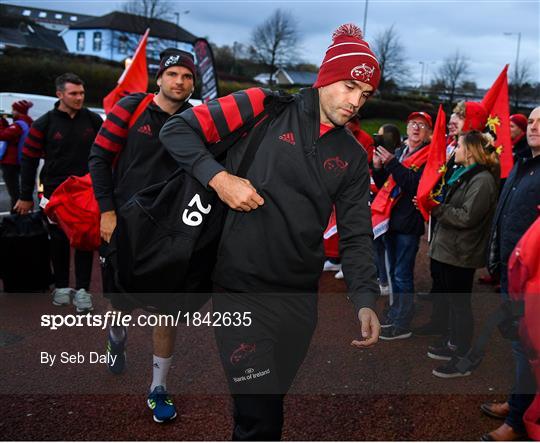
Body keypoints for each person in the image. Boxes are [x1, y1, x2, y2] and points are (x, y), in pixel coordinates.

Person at [160, 24, 380, 440]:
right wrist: (219, 179)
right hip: (239, 290)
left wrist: (365, 297)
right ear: (326, 78)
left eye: (365, 95)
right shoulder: (264, 105)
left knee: (265, 403)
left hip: (299, 298)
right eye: (349, 87)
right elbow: (176, 130)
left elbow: (355, 232)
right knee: (263, 420)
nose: (355, 102)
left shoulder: (353, 154)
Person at [88, 49, 197, 423]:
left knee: (165, 310)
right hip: (123, 224)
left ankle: (158, 389)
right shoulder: (130, 109)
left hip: (170, 230)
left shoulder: (197, 119)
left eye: (187, 76)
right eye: (173, 74)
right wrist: (107, 210)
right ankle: (116, 342)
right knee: (121, 304)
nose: (180, 82)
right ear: (159, 78)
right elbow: (99, 158)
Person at [14, 73, 102, 311]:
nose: (79, 97)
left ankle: (83, 290)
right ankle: (62, 286)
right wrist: (24, 196)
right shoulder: (44, 123)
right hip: (53, 193)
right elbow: (29, 160)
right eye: (73, 93)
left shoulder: (94, 121)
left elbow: (108, 154)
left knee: (85, 240)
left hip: (86, 192)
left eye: (82, 93)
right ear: (60, 94)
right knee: (59, 240)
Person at [480, 106, 540, 441]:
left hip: (533, 279)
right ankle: (517, 403)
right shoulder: (521, 163)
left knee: (526, 348)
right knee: (517, 345)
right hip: (509, 271)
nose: (534, 127)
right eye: (531, 121)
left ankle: (517, 421)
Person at [427, 131, 499, 378]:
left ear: (469, 151)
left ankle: (462, 356)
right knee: (452, 301)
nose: (454, 149)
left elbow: (467, 217)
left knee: (460, 305)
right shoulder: (464, 173)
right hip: (450, 248)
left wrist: (437, 208)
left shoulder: (482, 181)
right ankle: (453, 344)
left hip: (461, 251)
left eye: (458, 146)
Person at [372, 111, 432, 340]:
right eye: (413, 124)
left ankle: (402, 322)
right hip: (391, 219)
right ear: (406, 128)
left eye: (422, 125)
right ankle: (396, 312)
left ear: (428, 133)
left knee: (402, 274)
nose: (416, 128)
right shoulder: (400, 152)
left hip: (408, 223)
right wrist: (379, 168)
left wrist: (391, 163)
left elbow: (415, 185)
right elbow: (385, 185)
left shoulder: (429, 157)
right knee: (393, 271)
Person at [0, 100, 33, 210]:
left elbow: (3, 135)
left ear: (19, 111)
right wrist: (5, 124)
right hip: (21, 161)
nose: (12, 112)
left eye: (14, 110)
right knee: (20, 191)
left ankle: (16, 220)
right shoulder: (28, 122)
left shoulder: (19, 125)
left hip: (11, 163)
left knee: (15, 193)